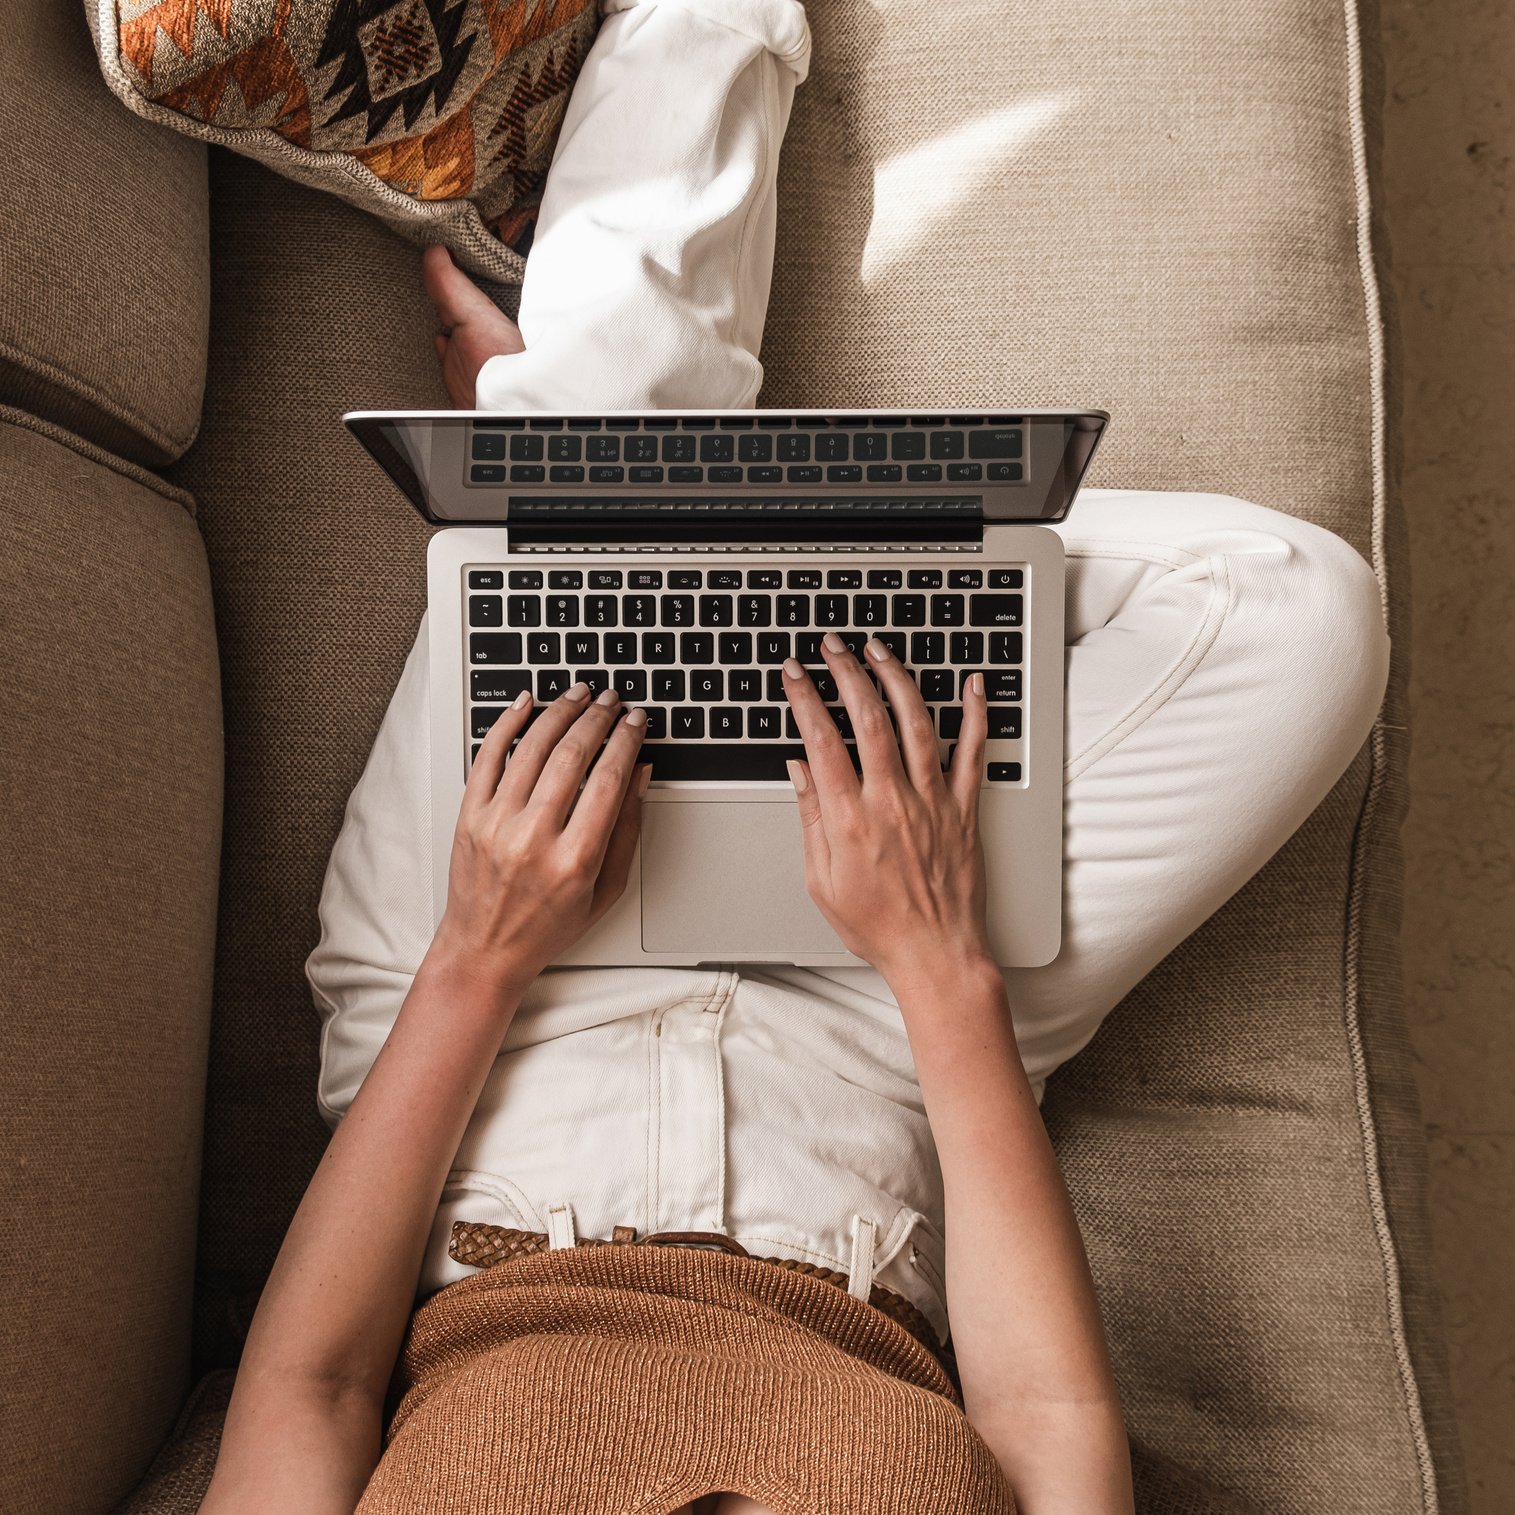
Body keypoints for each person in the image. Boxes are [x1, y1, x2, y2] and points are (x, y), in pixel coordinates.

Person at [199, 0, 1391, 1510]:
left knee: (613, 420)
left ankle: (586, 480)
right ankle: (591, 489)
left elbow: (313, 1386)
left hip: (497, 1037)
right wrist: (938, 958)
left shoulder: (484, 967)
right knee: (1293, 615)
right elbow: (1040, 1415)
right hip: (888, 1055)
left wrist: (482, 949)